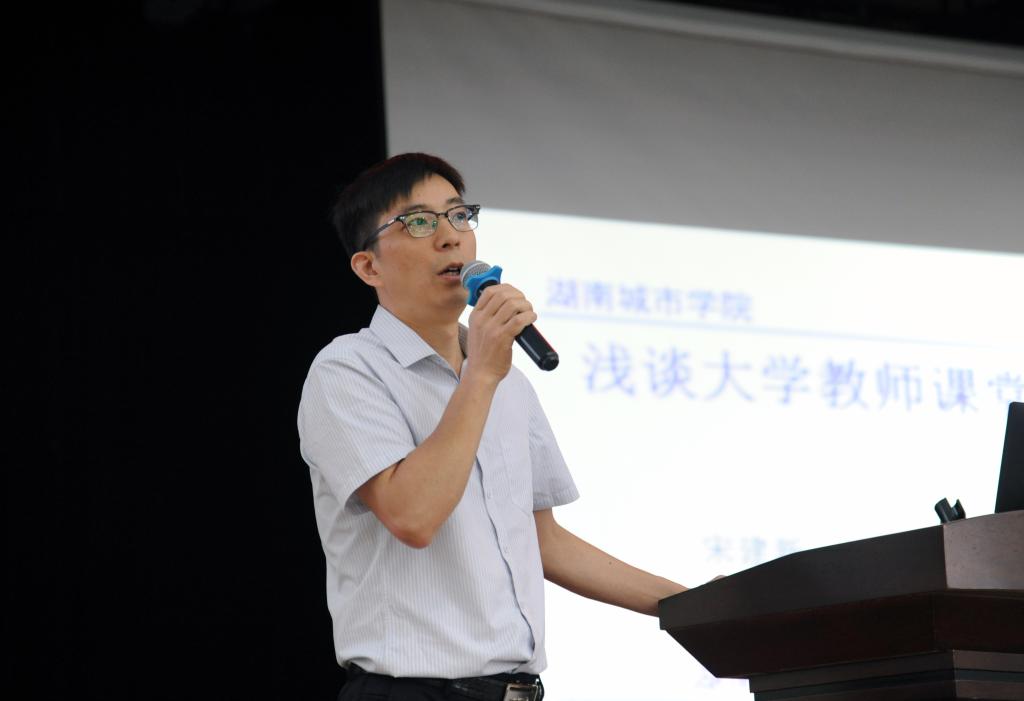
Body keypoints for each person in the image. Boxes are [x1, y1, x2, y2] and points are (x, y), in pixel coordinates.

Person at [297, 153, 687, 700]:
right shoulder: (348, 369)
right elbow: (413, 516)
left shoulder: (507, 381)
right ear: (369, 268)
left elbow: (544, 541)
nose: (450, 237)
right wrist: (480, 375)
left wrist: (689, 604)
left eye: (459, 215)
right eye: (419, 222)